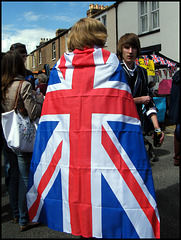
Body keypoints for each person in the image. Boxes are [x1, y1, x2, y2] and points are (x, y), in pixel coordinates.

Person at [27, 18, 160, 238]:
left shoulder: (59, 67)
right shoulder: (111, 63)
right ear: (98, 36)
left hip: (70, 148)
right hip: (102, 144)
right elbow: (122, 113)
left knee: (76, 197)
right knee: (104, 199)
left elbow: (50, 118)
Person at [1, 50, 44, 231]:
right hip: (22, 136)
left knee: (13, 178)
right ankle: (24, 219)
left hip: (7, 135)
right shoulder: (24, 85)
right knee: (25, 178)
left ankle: (16, 214)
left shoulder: (3, 86)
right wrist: (39, 100)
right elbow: (33, 112)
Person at [117, 33, 164, 161]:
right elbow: (110, 102)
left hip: (137, 126)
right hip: (117, 127)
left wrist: (157, 128)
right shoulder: (115, 71)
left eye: (134, 48)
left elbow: (148, 101)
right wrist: (136, 100)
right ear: (121, 50)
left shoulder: (142, 72)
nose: (130, 51)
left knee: (138, 164)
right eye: (127, 47)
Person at [169, 69, 180, 166]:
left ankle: (177, 158)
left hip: (177, 110)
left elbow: (173, 97)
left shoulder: (176, 76)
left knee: (178, 132)